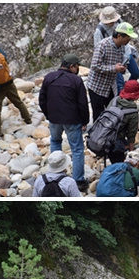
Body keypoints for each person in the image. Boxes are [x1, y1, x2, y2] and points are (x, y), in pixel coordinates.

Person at [39, 53, 90, 192]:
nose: (78, 69)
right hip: (72, 120)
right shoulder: (76, 81)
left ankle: (55, 175)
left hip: (54, 119)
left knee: (55, 142)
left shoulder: (49, 77)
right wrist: (85, 120)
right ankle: (78, 180)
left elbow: (42, 99)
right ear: (72, 66)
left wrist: (48, 114)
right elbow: (82, 104)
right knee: (77, 150)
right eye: (77, 66)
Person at [88, 22, 138, 122]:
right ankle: (97, 136)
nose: (129, 40)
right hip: (97, 87)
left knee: (112, 112)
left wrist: (122, 68)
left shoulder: (123, 47)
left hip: (111, 86)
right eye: (128, 37)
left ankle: (110, 134)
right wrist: (114, 68)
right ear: (119, 36)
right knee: (98, 115)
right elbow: (95, 66)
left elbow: (119, 63)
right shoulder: (103, 45)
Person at [94, 6, 139, 93]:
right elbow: (98, 50)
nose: (112, 23)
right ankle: (121, 99)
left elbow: (126, 38)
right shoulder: (99, 31)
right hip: (111, 59)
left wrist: (126, 56)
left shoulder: (119, 22)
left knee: (136, 73)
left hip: (125, 51)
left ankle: (128, 90)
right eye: (110, 22)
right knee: (119, 82)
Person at [107, 80, 139, 164]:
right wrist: (131, 153)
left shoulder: (114, 100)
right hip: (116, 144)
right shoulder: (132, 111)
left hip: (104, 138)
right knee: (120, 168)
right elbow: (131, 133)